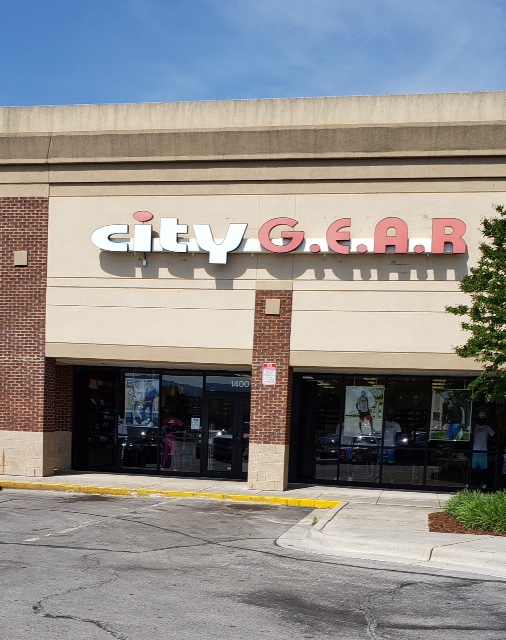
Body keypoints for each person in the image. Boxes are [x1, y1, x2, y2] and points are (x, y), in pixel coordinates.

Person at [471, 412, 494, 489]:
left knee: (484, 469)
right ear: (478, 419)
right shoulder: (474, 427)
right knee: (472, 468)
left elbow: (493, 436)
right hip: (474, 450)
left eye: (483, 419)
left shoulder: (487, 428)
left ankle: (484, 483)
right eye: (481, 419)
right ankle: (470, 483)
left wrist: (489, 441)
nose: (482, 420)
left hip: (483, 451)